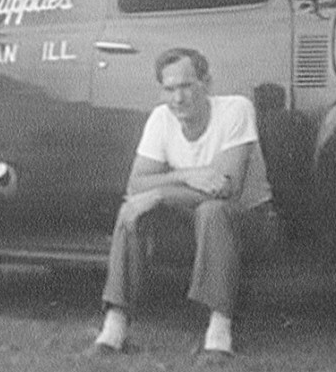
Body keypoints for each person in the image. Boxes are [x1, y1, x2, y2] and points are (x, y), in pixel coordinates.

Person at [89, 48, 278, 361]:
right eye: (169, 89)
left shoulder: (236, 110)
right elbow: (136, 184)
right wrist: (190, 175)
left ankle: (219, 329)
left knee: (212, 210)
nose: (178, 98)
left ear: (207, 83)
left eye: (186, 86)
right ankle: (114, 325)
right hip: (192, 227)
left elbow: (225, 189)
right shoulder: (161, 119)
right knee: (132, 209)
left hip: (251, 225)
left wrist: (161, 192)